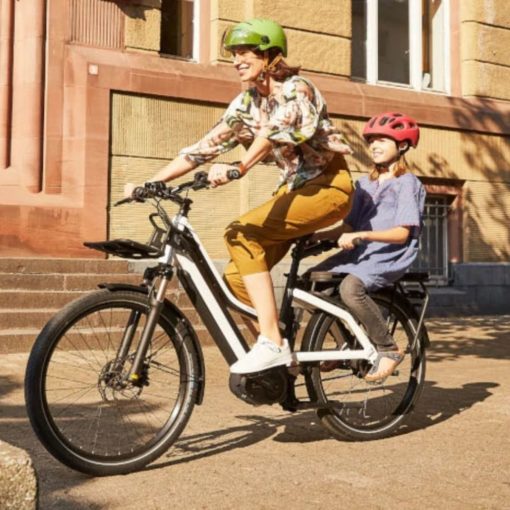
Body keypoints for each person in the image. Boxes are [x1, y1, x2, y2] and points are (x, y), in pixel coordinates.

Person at [124, 19, 354, 374]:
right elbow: (205, 147)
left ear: (269, 54)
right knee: (233, 280)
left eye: (244, 52)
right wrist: (150, 182)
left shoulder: (297, 89)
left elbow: (277, 131)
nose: (236, 60)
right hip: (294, 190)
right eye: (233, 54)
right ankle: (282, 351)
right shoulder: (248, 102)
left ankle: (271, 342)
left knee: (240, 232)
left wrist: (240, 166)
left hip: (328, 187)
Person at [311, 112, 426, 383]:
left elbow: (402, 233)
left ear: (402, 146)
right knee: (312, 284)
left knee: (350, 288)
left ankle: (388, 348)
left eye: (383, 140)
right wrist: (313, 236)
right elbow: (348, 228)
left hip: (389, 255)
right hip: (359, 254)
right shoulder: (364, 184)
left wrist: (364, 235)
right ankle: (344, 344)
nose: (374, 145)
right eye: (372, 140)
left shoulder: (407, 183)